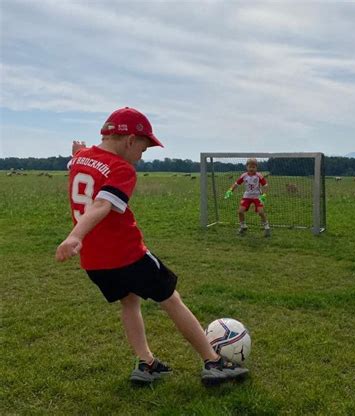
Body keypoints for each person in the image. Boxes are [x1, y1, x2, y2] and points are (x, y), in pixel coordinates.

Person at [55, 107, 248, 386]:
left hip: (94, 262)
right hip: (127, 254)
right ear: (130, 140)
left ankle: (146, 364)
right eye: (143, 150)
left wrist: (77, 152)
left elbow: (78, 163)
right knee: (170, 298)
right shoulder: (122, 169)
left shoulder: (79, 160)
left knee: (129, 301)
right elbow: (102, 204)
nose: (140, 158)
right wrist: (75, 235)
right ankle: (214, 361)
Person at [225, 158, 271, 237]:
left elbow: (266, 186)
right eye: (250, 167)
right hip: (247, 196)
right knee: (240, 211)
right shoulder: (244, 175)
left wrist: (264, 195)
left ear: (256, 167)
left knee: (261, 212)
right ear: (247, 167)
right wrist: (230, 191)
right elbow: (236, 184)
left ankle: (267, 227)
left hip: (257, 196)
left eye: (253, 167)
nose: (251, 169)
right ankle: (243, 227)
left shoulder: (259, 175)